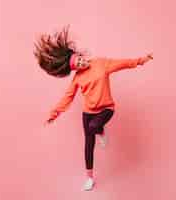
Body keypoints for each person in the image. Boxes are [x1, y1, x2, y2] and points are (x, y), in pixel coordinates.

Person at [33, 25, 153, 191]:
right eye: (78, 64)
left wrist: (140, 60)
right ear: (75, 68)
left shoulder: (101, 63)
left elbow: (122, 64)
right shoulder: (77, 79)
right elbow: (67, 98)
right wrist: (54, 114)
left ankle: (101, 131)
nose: (82, 63)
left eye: (80, 59)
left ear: (81, 55)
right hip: (88, 113)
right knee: (88, 145)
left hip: (106, 109)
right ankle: (89, 178)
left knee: (94, 127)